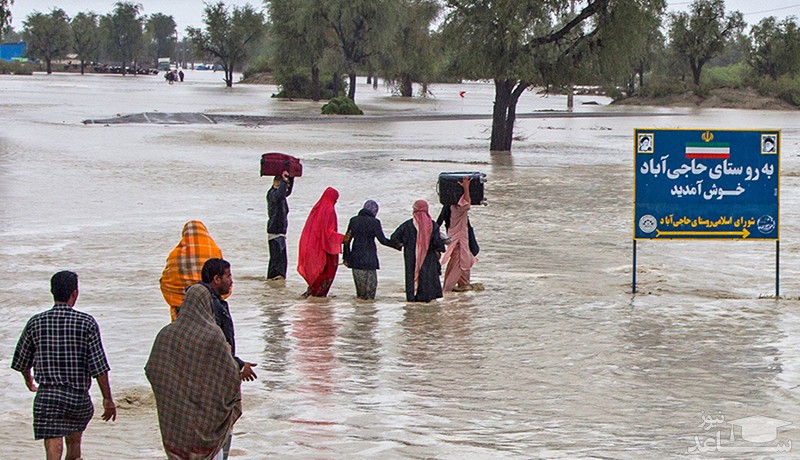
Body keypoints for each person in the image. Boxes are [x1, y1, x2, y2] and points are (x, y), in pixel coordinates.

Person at [11, 271, 117, 460]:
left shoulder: (36, 322)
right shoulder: (87, 323)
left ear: (52, 292)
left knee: (53, 442)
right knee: (74, 443)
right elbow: (99, 367)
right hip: (78, 397)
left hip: (47, 396)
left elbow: (21, 361)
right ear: (75, 293)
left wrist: (29, 381)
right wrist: (107, 399)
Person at [145, 284, 242, 460]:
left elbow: (153, 369)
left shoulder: (166, 334)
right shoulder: (214, 336)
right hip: (207, 418)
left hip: (177, 419)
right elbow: (230, 376)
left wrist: (172, 394)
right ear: (206, 304)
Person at [200, 258, 257, 460]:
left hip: (206, 382)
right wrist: (237, 365)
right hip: (213, 383)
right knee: (220, 430)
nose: (231, 281)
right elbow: (216, 347)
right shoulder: (212, 305)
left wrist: (238, 364)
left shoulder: (202, 302)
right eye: (228, 276)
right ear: (216, 279)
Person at [160, 220, 224, 321]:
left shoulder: (175, 255)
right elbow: (222, 280)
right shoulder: (214, 251)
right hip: (211, 306)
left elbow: (166, 282)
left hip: (181, 308)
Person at [390, 200, 446, 302]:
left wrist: (402, 245)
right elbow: (437, 243)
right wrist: (441, 248)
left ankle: (413, 299)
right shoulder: (432, 225)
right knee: (427, 277)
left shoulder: (407, 225)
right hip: (428, 257)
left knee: (411, 276)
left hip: (411, 257)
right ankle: (426, 301)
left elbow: (394, 238)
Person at [342, 199, 397, 300]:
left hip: (356, 259)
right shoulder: (375, 222)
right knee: (370, 296)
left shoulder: (353, 220)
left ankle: (359, 314)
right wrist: (397, 245)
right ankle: (370, 314)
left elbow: (347, 240)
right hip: (370, 260)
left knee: (360, 295)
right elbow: (383, 240)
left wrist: (346, 258)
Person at [298, 187, 344, 297]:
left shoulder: (317, 208)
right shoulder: (329, 210)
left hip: (313, 246)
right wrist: (343, 238)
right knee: (325, 273)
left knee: (317, 274)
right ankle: (317, 297)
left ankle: (312, 292)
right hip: (324, 249)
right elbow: (328, 233)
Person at [440, 176, 477, 292]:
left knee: (460, 263)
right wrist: (466, 187)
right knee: (460, 264)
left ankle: (463, 286)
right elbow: (466, 205)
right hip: (459, 241)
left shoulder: (448, 208)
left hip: (454, 239)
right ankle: (447, 290)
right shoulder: (458, 209)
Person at [267, 171, 291, 280]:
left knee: (279, 262)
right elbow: (280, 194)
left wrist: (291, 178)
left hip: (279, 232)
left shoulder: (279, 196)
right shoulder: (272, 194)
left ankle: (274, 282)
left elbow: (285, 193)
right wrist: (284, 181)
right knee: (277, 265)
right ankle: (274, 282)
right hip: (275, 232)